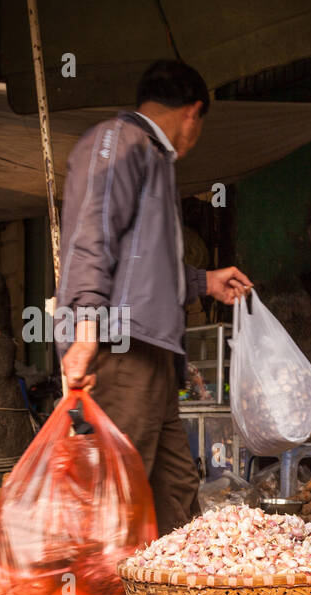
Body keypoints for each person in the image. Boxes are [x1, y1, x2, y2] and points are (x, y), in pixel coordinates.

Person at [57, 60, 252, 534]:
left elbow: (144, 266)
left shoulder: (155, 159)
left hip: (156, 356)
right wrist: (83, 337)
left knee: (174, 488)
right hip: (120, 347)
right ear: (193, 112)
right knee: (114, 489)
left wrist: (203, 282)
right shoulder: (118, 141)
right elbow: (91, 236)